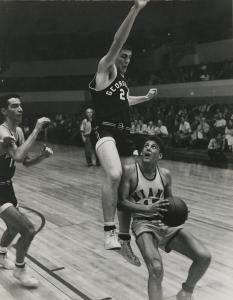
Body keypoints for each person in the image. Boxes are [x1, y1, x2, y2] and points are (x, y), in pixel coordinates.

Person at [89, 0, 157, 254]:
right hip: (103, 130)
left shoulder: (122, 83)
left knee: (129, 184)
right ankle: (108, 231)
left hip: (123, 132)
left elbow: (125, 100)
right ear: (115, 55)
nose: (127, 60)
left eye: (130, 57)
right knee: (114, 174)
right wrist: (136, 9)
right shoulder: (105, 69)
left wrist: (145, 99)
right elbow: (118, 40)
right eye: (124, 55)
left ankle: (124, 235)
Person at [118, 137, 211, 300]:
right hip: (143, 225)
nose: (148, 148)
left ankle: (186, 292)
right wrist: (147, 208)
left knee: (204, 256)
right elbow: (121, 203)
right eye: (146, 146)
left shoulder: (165, 175)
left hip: (164, 224)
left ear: (159, 155)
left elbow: (170, 203)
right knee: (156, 268)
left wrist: (180, 212)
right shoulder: (130, 171)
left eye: (153, 147)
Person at [0, 94, 53, 288]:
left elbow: (26, 163)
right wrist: (38, 128)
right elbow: (19, 155)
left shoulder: (19, 131)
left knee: (13, 228)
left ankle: (1, 255)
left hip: (6, 186)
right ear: (4, 111)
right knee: (28, 229)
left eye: (20, 105)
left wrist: (42, 156)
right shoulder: (2, 132)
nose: (20, 109)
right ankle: (20, 270)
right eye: (14, 106)